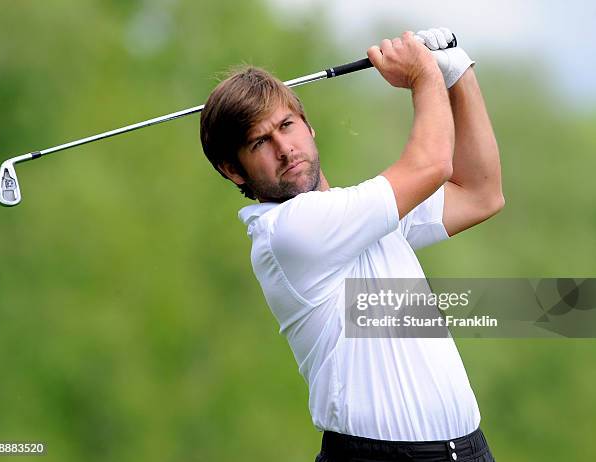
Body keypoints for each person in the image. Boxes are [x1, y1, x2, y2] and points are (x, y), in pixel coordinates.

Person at [200, 27, 503, 462]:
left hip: (468, 450)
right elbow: (433, 163)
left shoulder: (359, 216)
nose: (285, 148)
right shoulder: (289, 231)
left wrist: (458, 74)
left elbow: (482, 192)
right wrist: (423, 75)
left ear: (309, 126)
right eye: (259, 142)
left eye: (287, 125)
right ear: (234, 170)